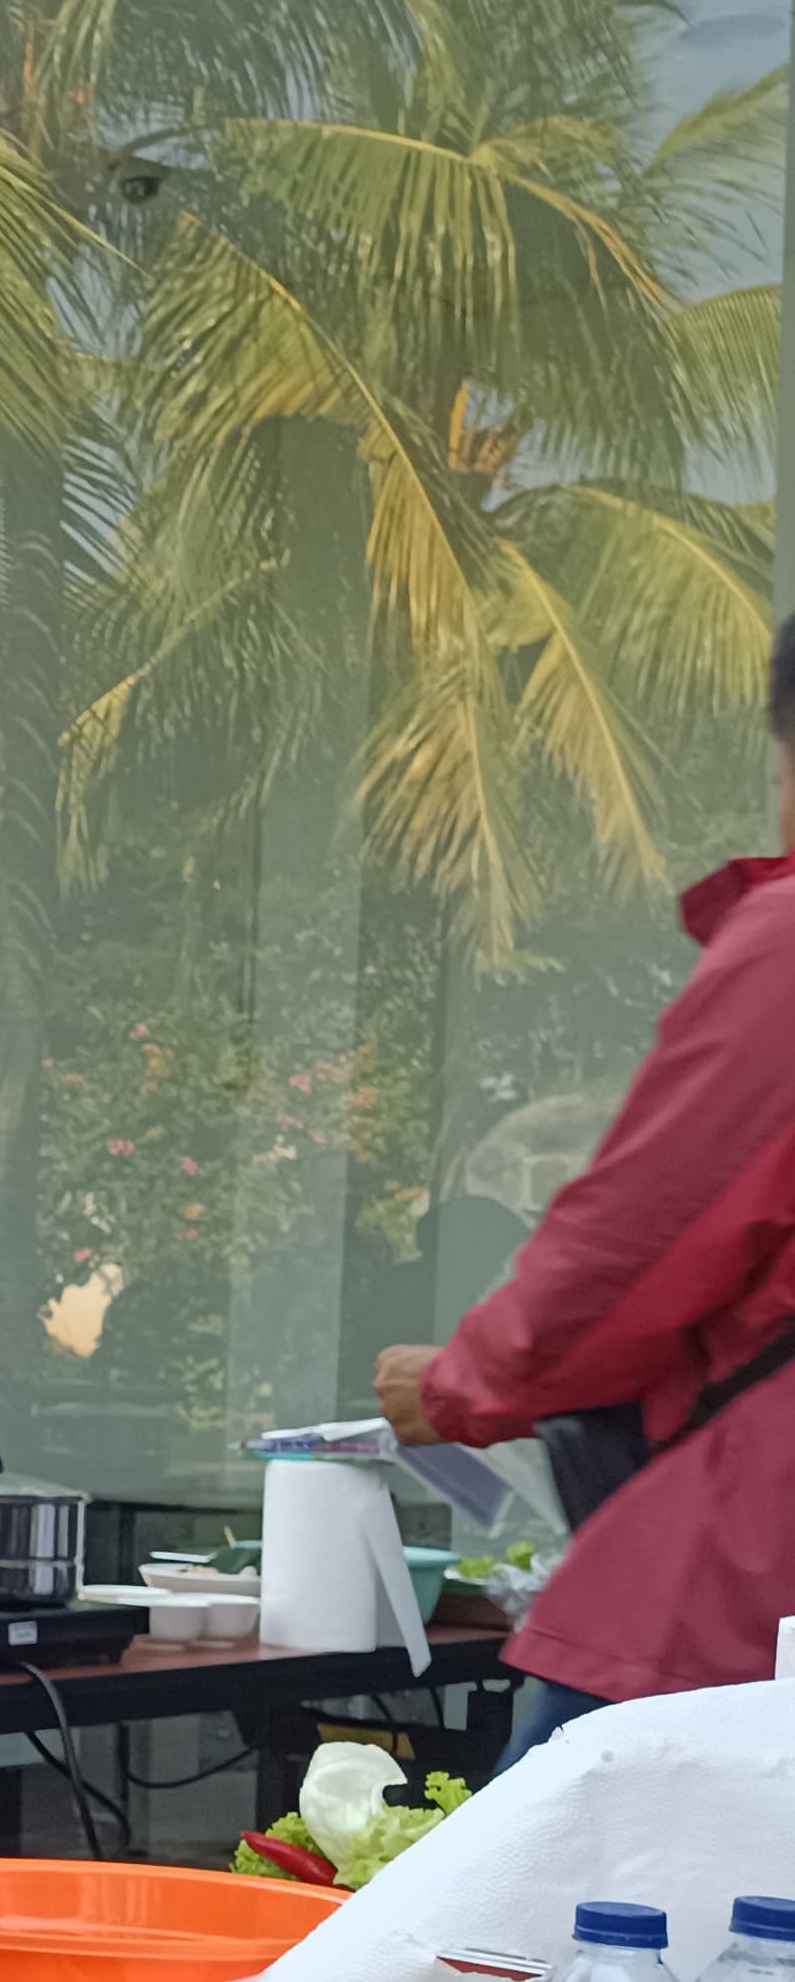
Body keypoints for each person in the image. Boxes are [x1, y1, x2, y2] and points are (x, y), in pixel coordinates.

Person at [375, 616, 795, 1763]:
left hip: (735, 1576)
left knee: (522, 1926)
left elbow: (633, 1250)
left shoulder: (787, 950)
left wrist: (457, 1387)